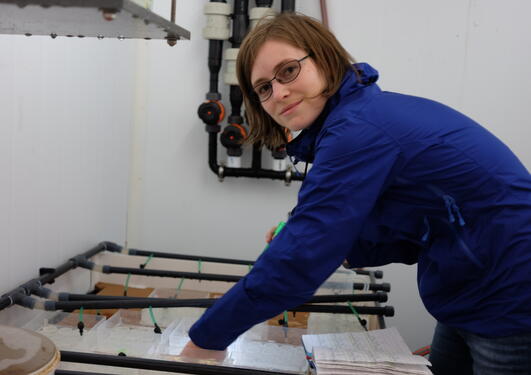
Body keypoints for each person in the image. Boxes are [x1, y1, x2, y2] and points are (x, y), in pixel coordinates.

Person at [187, 13, 531, 374]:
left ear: (324, 58)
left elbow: (301, 258)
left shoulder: (358, 128)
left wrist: (205, 340)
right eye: (263, 89)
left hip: (511, 294)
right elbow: (420, 223)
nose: (279, 93)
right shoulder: (356, 118)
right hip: (471, 293)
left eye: (288, 71)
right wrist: (344, 246)